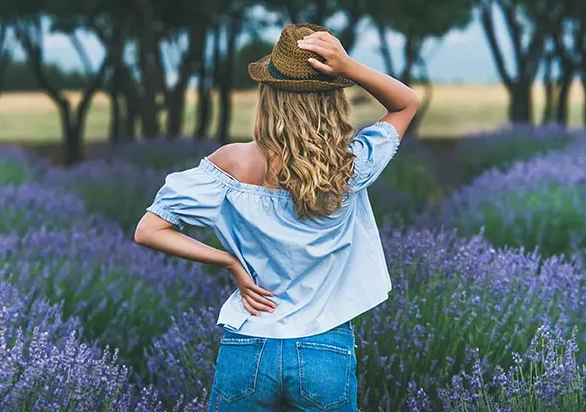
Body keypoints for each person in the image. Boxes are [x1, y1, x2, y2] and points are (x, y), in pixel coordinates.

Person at [134, 23, 420, 412]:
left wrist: (229, 262)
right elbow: (405, 103)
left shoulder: (231, 163)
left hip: (249, 346)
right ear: (335, 98)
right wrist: (348, 67)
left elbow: (149, 230)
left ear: (268, 95)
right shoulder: (351, 165)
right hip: (325, 347)